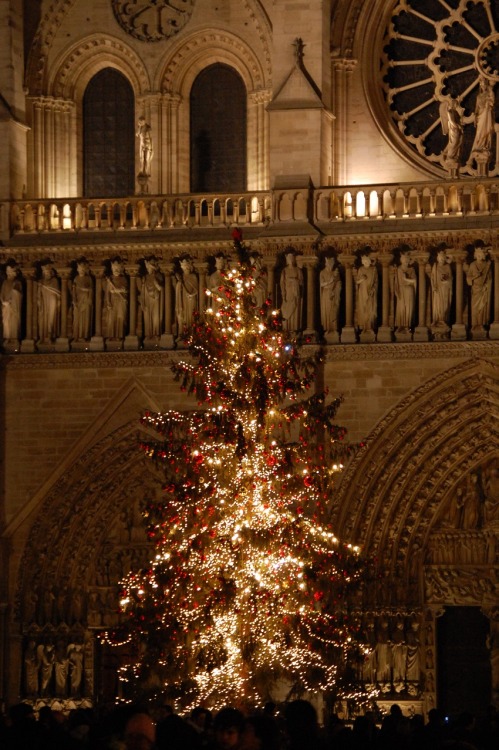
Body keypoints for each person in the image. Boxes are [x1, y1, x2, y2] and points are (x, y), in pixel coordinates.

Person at [469, 76, 495, 166]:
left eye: (484, 84)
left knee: (486, 130)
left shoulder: (489, 93)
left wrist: (490, 91)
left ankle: (485, 146)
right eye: (481, 85)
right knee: (479, 132)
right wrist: (475, 115)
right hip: (480, 115)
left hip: (486, 113)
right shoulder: (479, 96)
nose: (483, 86)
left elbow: (492, 100)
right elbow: (476, 108)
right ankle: (480, 146)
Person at [465, 244, 492, 330]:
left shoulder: (487, 265)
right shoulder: (473, 265)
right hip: (475, 289)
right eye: (478, 254)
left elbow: (490, 278)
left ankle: (481, 324)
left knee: (482, 307)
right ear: (475, 255)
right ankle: (474, 324)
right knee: (475, 307)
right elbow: (468, 278)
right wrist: (475, 276)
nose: (479, 256)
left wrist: (487, 285)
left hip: (483, 290)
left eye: (481, 254)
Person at [427, 247, 452, 329]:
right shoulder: (435, 266)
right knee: (437, 304)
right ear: (438, 258)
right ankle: (437, 319)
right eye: (440, 258)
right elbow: (432, 278)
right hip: (437, 289)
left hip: (445, 289)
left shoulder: (448, 266)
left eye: (443, 258)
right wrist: (433, 286)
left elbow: (451, 278)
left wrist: (447, 280)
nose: (441, 259)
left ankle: (443, 319)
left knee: (444, 304)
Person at [104, 257, 128, 339]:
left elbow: (125, 290)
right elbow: (108, 292)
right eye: (114, 268)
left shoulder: (123, 279)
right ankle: (111, 336)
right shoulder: (110, 280)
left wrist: (116, 290)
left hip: (121, 302)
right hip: (113, 301)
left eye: (117, 268)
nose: (116, 270)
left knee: (121, 318)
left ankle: (119, 336)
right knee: (111, 319)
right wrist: (108, 302)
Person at [140, 256, 164, 338]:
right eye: (149, 267)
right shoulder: (145, 277)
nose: (150, 269)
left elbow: (160, 288)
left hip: (156, 299)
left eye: (151, 267)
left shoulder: (158, 276)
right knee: (147, 317)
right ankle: (148, 334)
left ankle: (156, 333)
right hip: (147, 299)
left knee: (156, 316)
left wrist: (155, 281)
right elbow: (143, 290)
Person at [280, 249, 303, 332]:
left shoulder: (298, 270)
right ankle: (287, 329)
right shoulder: (284, 271)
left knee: (295, 308)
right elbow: (282, 284)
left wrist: (294, 281)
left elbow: (301, 282)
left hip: (295, 292)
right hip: (288, 292)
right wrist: (283, 294)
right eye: (289, 258)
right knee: (286, 309)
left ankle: (294, 328)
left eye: (292, 258)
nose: (290, 259)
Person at [354, 252, 378, 334]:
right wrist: (362, 279)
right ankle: (364, 326)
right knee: (363, 309)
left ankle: (370, 326)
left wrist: (373, 289)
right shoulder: (361, 269)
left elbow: (376, 282)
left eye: (367, 260)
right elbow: (357, 281)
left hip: (371, 292)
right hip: (363, 292)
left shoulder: (374, 269)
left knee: (371, 309)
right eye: (364, 261)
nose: (365, 262)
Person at [37, 261, 61, 342]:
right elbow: (38, 294)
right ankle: (44, 335)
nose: (48, 273)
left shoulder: (55, 281)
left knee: (52, 316)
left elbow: (57, 292)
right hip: (44, 301)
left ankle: (51, 333)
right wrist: (39, 301)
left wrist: (58, 301)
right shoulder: (41, 281)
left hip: (52, 299)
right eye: (46, 272)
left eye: (49, 272)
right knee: (44, 317)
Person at [394, 249, 416, 332]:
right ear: (401, 260)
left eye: (407, 259)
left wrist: (406, 278)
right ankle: (401, 325)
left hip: (409, 290)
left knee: (408, 308)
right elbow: (397, 282)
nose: (405, 261)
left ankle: (407, 325)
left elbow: (414, 280)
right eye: (404, 259)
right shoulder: (399, 269)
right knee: (401, 308)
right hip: (401, 290)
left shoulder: (412, 270)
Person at [175, 255, 198, 335]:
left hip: (191, 298)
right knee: (183, 315)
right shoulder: (181, 278)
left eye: (187, 265)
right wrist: (180, 283)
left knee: (191, 315)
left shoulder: (193, 276)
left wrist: (191, 294)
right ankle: (182, 333)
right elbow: (178, 288)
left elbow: (196, 289)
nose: (186, 267)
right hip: (183, 299)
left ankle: (192, 333)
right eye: (184, 266)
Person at [72, 257, 93, 341]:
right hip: (78, 301)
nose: (82, 271)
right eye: (80, 269)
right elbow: (74, 290)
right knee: (77, 318)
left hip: (86, 301)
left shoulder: (88, 278)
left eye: (83, 269)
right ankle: (77, 336)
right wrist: (74, 300)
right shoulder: (76, 278)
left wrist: (86, 291)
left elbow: (91, 289)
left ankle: (84, 335)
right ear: (77, 269)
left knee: (86, 318)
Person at [1, 260, 23, 342]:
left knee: (14, 321)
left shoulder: (17, 282)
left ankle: (14, 338)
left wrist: (12, 297)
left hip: (13, 306)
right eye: (8, 272)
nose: (9, 274)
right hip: (5, 306)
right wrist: (4, 301)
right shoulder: (5, 282)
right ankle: (7, 337)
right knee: (6, 322)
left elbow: (19, 294)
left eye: (11, 272)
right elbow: (2, 294)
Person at [320, 254, 341, 335]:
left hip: (334, 294)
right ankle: (328, 328)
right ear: (326, 263)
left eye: (332, 264)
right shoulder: (322, 272)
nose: (331, 265)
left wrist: (336, 289)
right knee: (327, 311)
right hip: (326, 294)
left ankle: (334, 328)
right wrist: (330, 281)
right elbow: (322, 283)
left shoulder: (335, 273)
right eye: (329, 263)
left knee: (334, 310)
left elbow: (339, 283)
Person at [441, 98, 463, 164]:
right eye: (456, 104)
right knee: (453, 143)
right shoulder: (449, 112)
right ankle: (450, 156)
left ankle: (454, 155)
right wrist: (457, 126)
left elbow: (458, 121)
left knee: (458, 142)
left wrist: (460, 126)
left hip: (457, 129)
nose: (456, 105)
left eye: (457, 104)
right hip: (453, 129)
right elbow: (451, 120)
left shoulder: (455, 112)